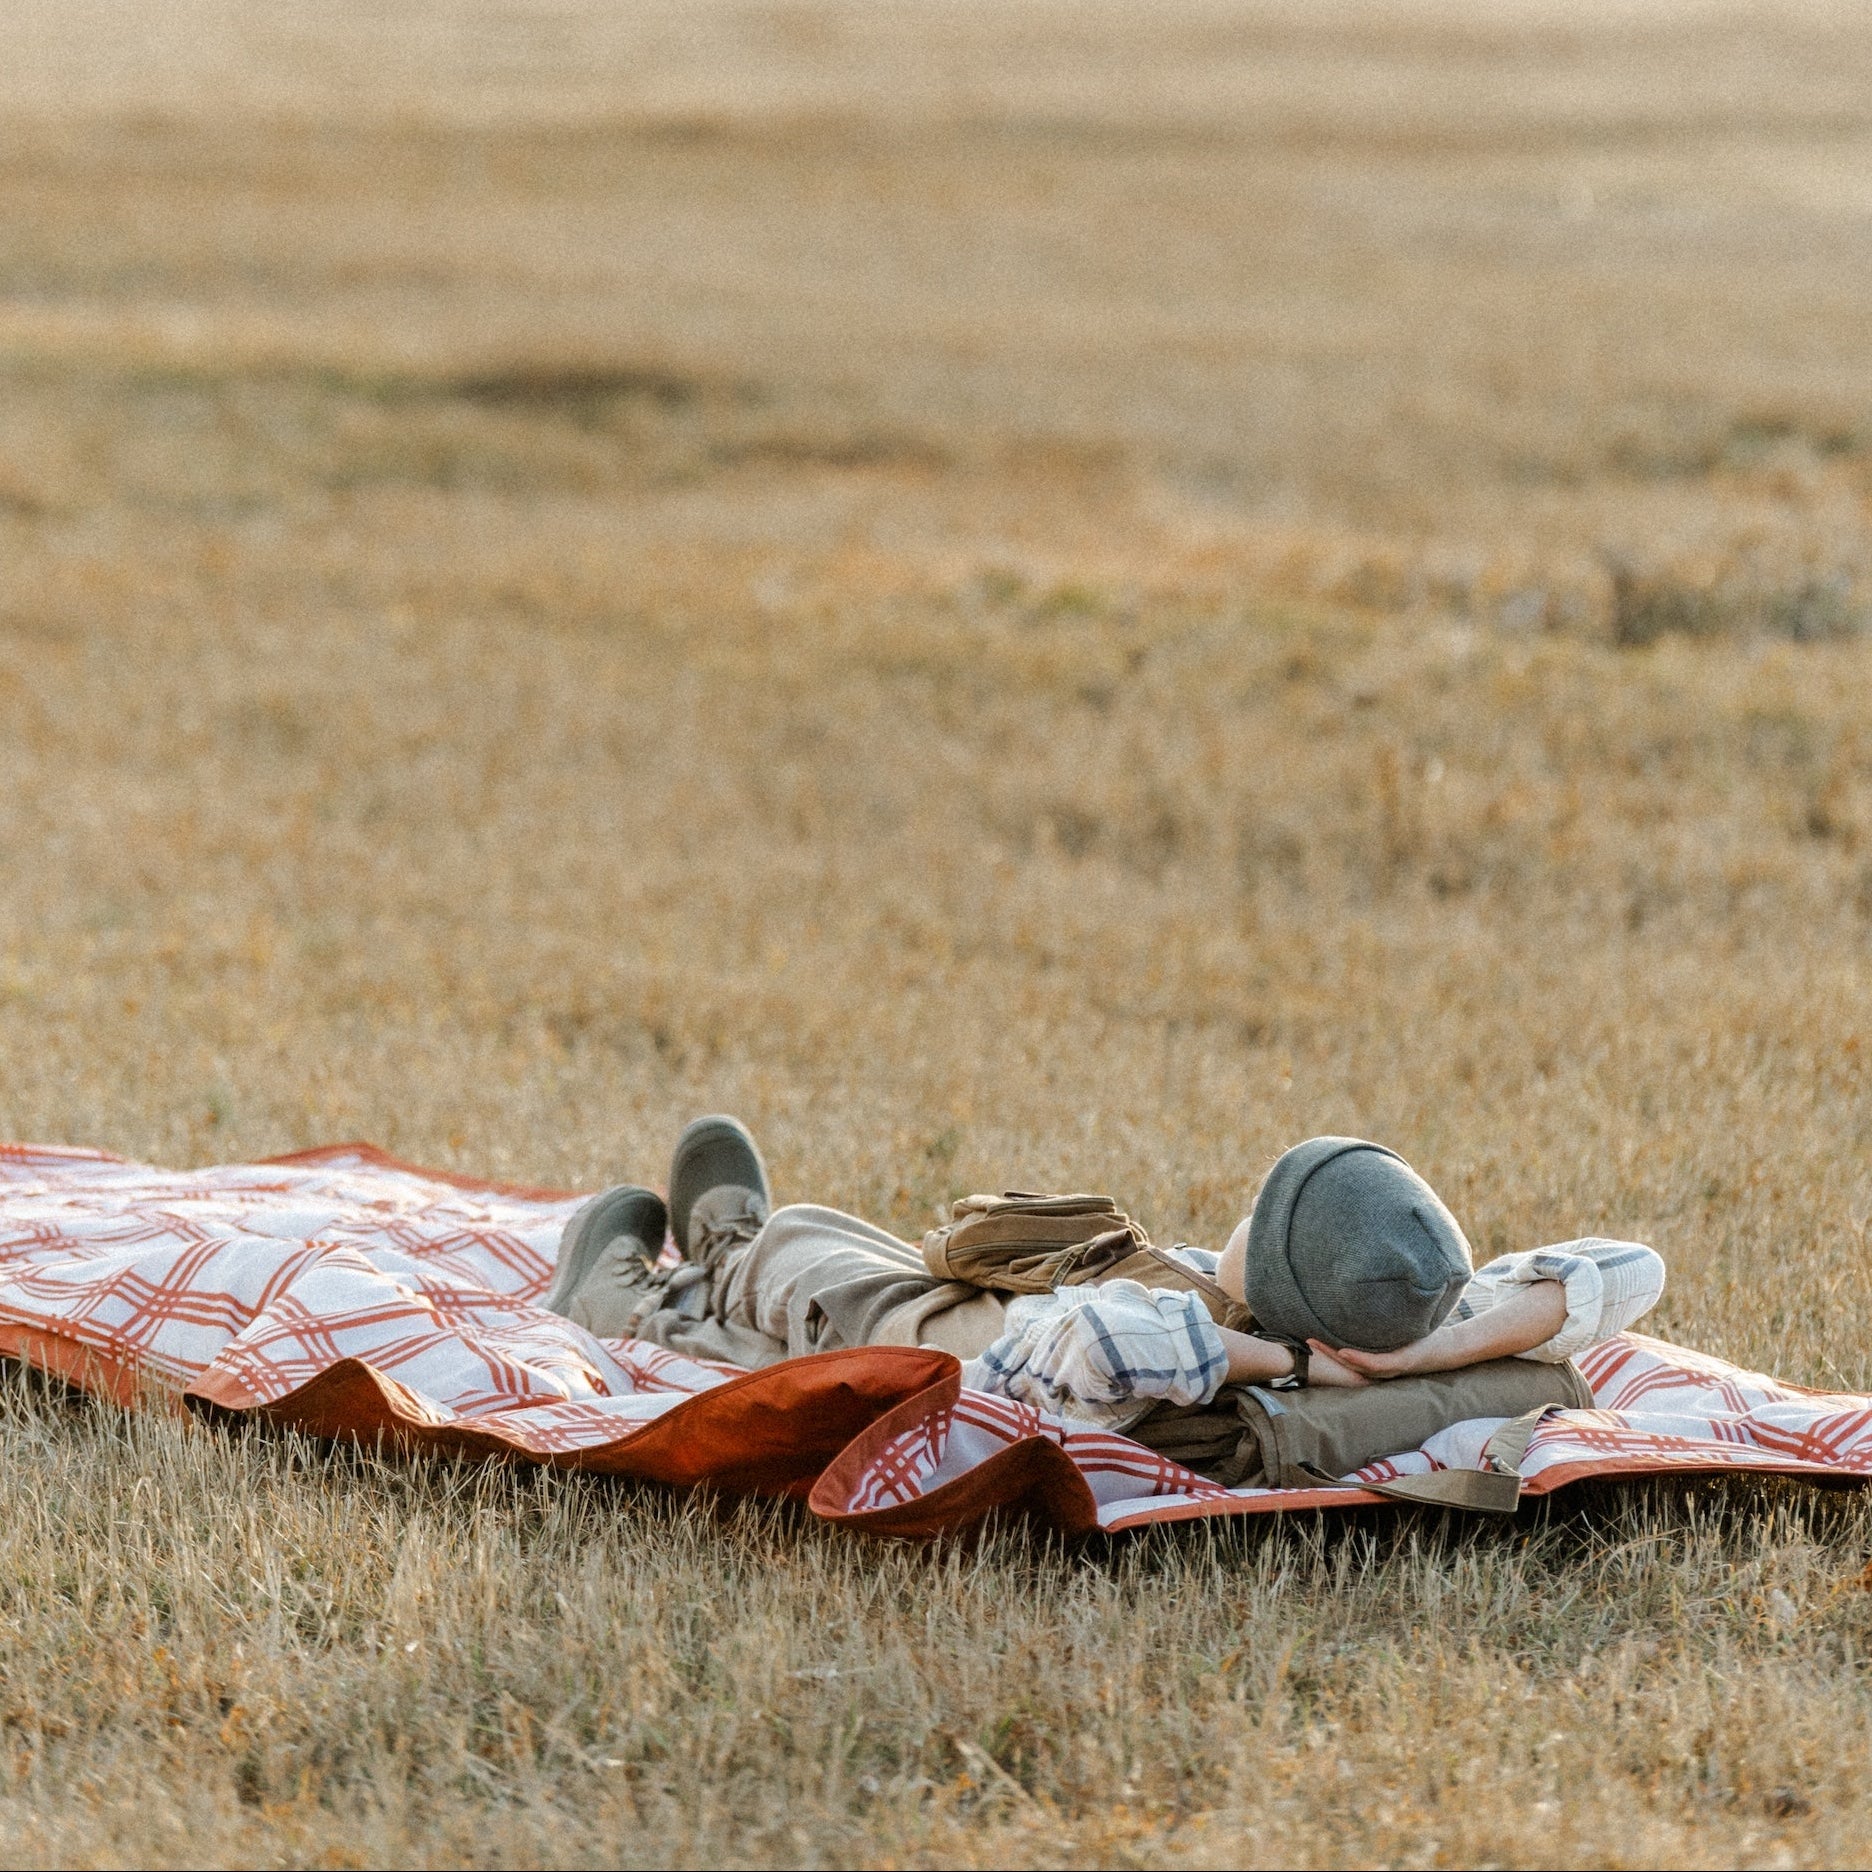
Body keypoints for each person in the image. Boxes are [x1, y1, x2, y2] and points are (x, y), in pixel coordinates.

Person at [545, 1117, 1665, 1483]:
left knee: (801, 1251)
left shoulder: (1175, 1345)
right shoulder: (1408, 1314)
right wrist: (1425, 1358)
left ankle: (642, 1295)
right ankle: (720, 1266)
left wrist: (1298, 1371)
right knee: (841, 1244)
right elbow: (1629, 1269)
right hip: (988, 1302)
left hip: (931, 1338)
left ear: (1279, 1285)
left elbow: (1088, 1347)